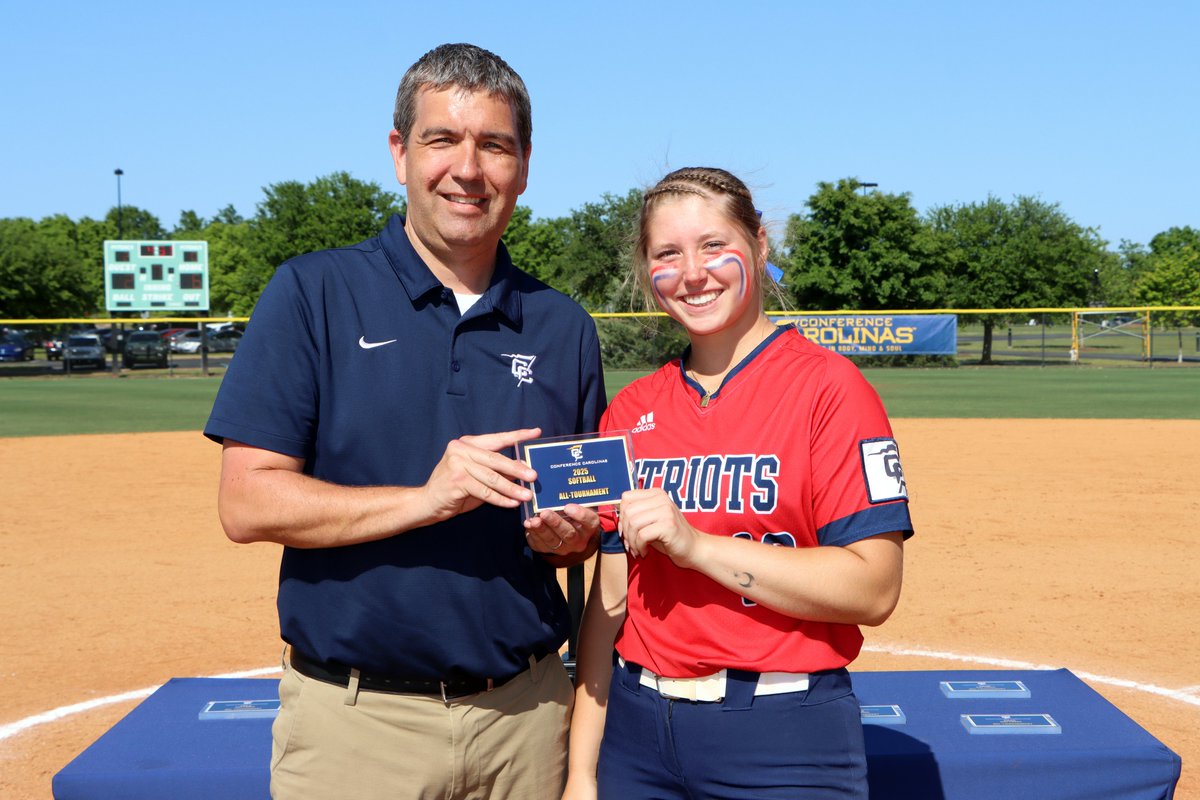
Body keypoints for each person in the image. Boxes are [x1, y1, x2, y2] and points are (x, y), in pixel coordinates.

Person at [204, 43, 606, 800]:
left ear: (523, 163)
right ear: (399, 153)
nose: (468, 168)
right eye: (442, 140)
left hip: (526, 721)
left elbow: (577, 529)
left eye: (494, 144)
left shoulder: (562, 326)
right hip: (357, 728)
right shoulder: (313, 293)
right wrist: (428, 498)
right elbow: (246, 502)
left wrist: (570, 537)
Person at [562, 167, 913, 800]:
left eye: (713, 246)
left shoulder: (830, 389)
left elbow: (874, 587)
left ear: (759, 245)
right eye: (668, 254)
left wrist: (696, 546)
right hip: (637, 733)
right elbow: (608, 605)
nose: (693, 273)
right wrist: (583, 773)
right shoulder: (633, 409)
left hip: (783, 738)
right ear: (648, 272)